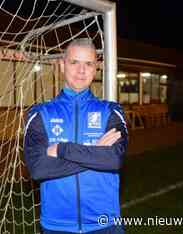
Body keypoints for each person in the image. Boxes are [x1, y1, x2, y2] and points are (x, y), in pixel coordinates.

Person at [24, 38, 128, 234]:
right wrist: (96, 152)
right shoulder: (40, 114)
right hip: (57, 227)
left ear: (96, 68)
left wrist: (63, 149)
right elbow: (38, 169)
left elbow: (113, 160)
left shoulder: (111, 112)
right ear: (62, 65)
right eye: (74, 62)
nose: (81, 70)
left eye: (88, 64)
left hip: (105, 225)